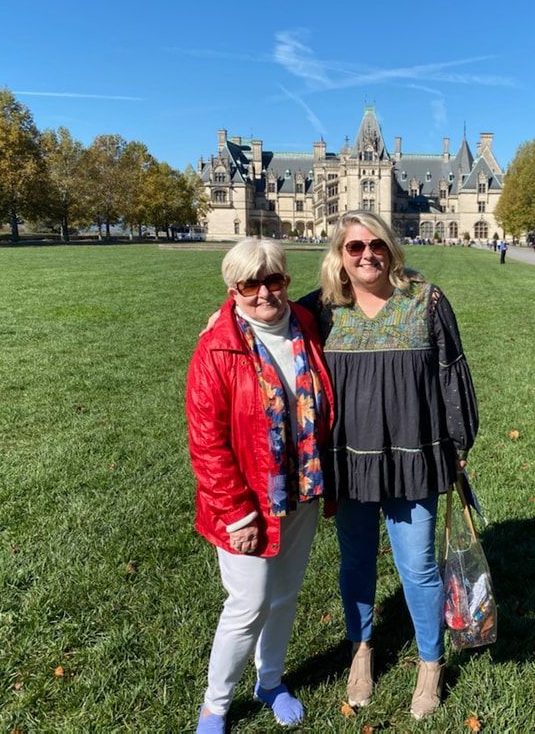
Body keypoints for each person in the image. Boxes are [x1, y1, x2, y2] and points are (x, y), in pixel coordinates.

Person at [303, 211, 479, 720]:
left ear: (391, 248)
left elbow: (451, 373)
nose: (366, 255)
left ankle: (430, 662)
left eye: (375, 244)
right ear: (339, 255)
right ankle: (361, 652)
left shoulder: (426, 301)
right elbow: (260, 317)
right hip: (349, 460)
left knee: (419, 566)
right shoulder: (322, 310)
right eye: (354, 247)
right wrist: (220, 316)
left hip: (414, 455)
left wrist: (459, 445)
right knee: (355, 562)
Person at [187, 239, 335, 733]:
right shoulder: (218, 347)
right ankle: (216, 704)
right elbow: (207, 444)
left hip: (302, 489)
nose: (264, 293)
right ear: (233, 290)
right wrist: (237, 513)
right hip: (248, 502)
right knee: (248, 604)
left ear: (287, 282)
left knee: (285, 596)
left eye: (275, 280)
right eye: (250, 284)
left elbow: (353, 288)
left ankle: (269, 681)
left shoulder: (307, 324)